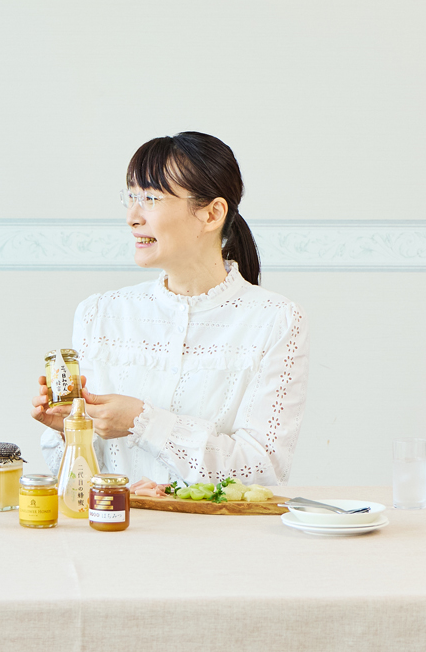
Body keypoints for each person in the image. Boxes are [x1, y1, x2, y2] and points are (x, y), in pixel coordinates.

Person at [32, 132, 307, 486]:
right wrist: (70, 432)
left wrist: (143, 422)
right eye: (131, 197)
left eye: (150, 198)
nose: (132, 217)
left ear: (212, 214)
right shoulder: (99, 314)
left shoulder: (276, 321)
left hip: (214, 525)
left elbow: (262, 469)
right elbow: (79, 483)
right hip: (117, 521)